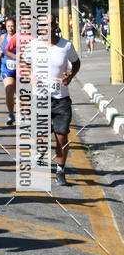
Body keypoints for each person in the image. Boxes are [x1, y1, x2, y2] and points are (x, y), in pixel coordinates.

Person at [45, 15, 80, 186]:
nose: (47, 27)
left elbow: (76, 63)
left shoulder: (65, 45)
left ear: (55, 25)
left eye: (50, 24)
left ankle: (60, 170)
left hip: (61, 99)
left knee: (61, 136)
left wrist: (71, 76)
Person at [0, 17, 16, 125]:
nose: (10, 28)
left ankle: (23, 115)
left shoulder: (20, 37)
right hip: (7, 68)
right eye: (8, 26)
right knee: (9, 90)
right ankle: (10, 114)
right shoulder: (3, 37)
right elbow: (0, 49)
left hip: (20, 68)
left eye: (12, 26)